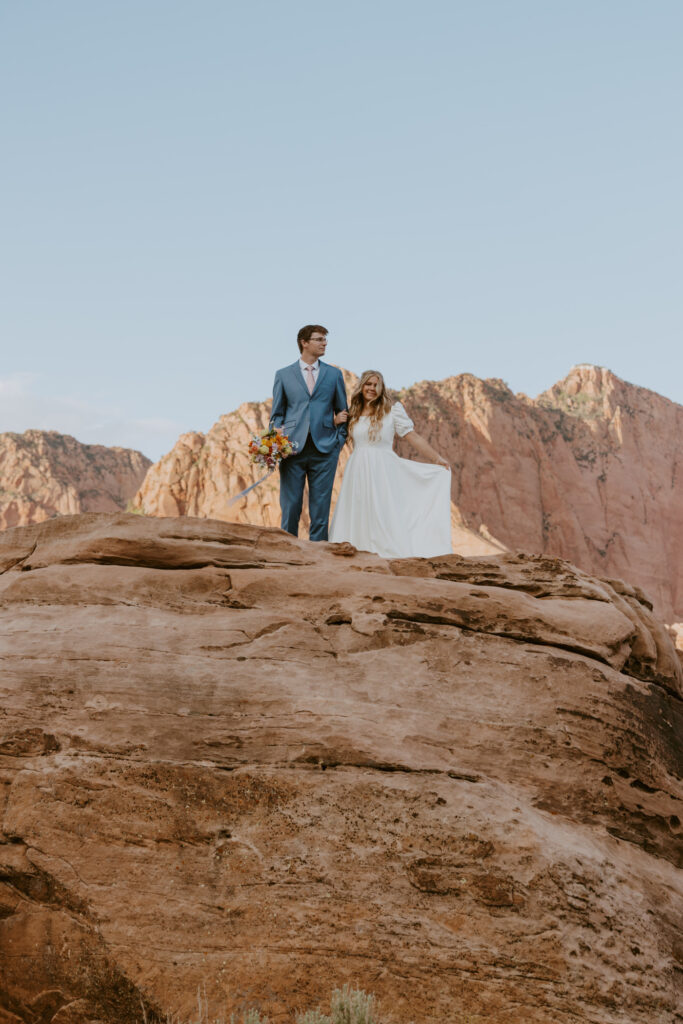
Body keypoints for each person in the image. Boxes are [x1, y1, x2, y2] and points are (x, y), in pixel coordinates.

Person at [329, 370, 452, 558]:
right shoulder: (353, 412)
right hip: (358, 467)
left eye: (375, 384)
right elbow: (331, 437)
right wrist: (334, 421)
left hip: (383, 468)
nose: (371, 388)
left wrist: (436, 458)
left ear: (381, 388)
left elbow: (412, 437)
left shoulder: (392, 410)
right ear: (361, 386)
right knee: (359, 507)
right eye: (368, 384)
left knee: (383, 509)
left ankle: (385, 551)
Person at [270, 324, 348, 541]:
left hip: (325, 450)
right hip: (292, 450)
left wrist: (337, 443)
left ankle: (318, 558)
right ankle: (287, 555)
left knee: (320, 508)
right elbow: (277, 414)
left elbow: (343, 411)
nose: (324, 343)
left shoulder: (334, 375)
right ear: (304, 342)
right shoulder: (283, 375)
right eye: (319, 339)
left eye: (325, 340)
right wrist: (276, 441)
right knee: (291, 506)